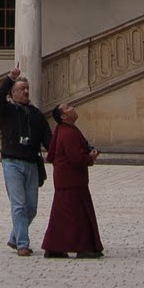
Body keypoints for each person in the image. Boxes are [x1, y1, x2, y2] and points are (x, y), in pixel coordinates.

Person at [0, 66, 51, 255]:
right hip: (12, 162)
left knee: (31, 208)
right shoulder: (6, 110)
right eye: (21, 89)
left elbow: (48, 139)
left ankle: (14, 238)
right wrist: (10, 77)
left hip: (32, 163)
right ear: (13, 93)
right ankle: (23, 245)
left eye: (27, 88)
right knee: (19, 205)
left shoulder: (36, 114)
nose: (25, 91)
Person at [42, 100, 103, 258]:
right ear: (63, 116)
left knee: (61, 215)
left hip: (65, 179)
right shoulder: (68, 133)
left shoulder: (62, 129)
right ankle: (82, 247)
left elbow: (53, 154)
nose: (72, 108)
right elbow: (76, 158)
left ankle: (55, 247)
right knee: (78, 215)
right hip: (71, 180)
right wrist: (90, 157)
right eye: (68, 108)